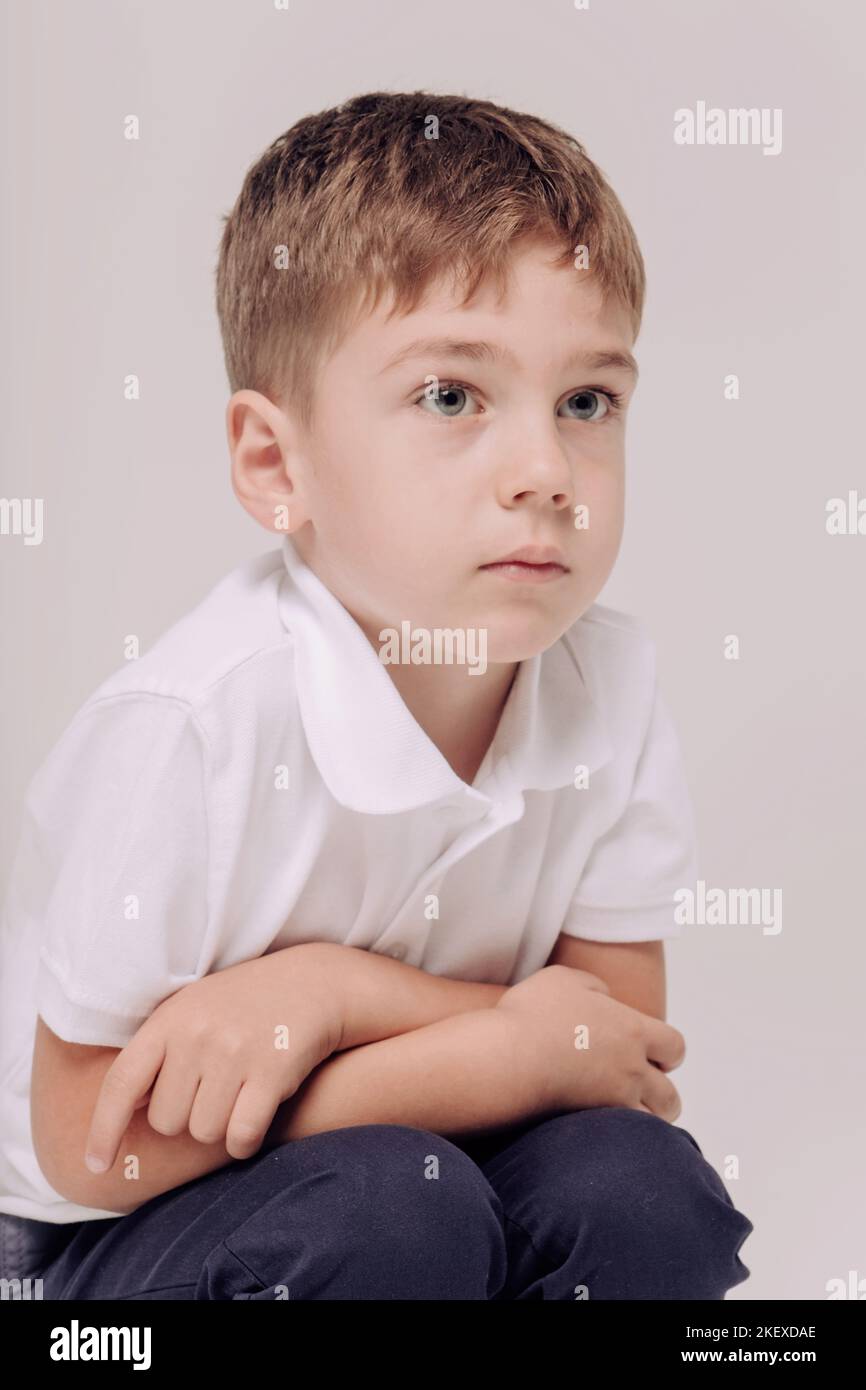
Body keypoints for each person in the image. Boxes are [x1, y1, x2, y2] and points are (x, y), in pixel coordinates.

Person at [0, 90, 753, 1299]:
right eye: (451, 396)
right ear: (274, 463)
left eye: (586, 401)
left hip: (441, 1170)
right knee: (392, 1211)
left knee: (638, 1187)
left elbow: (609, 1052)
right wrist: (501, 1046)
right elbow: (88, 1134)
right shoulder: (196, 725)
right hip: (114, 1231)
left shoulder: (605, 681)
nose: (545, 472)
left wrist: (333, 994)